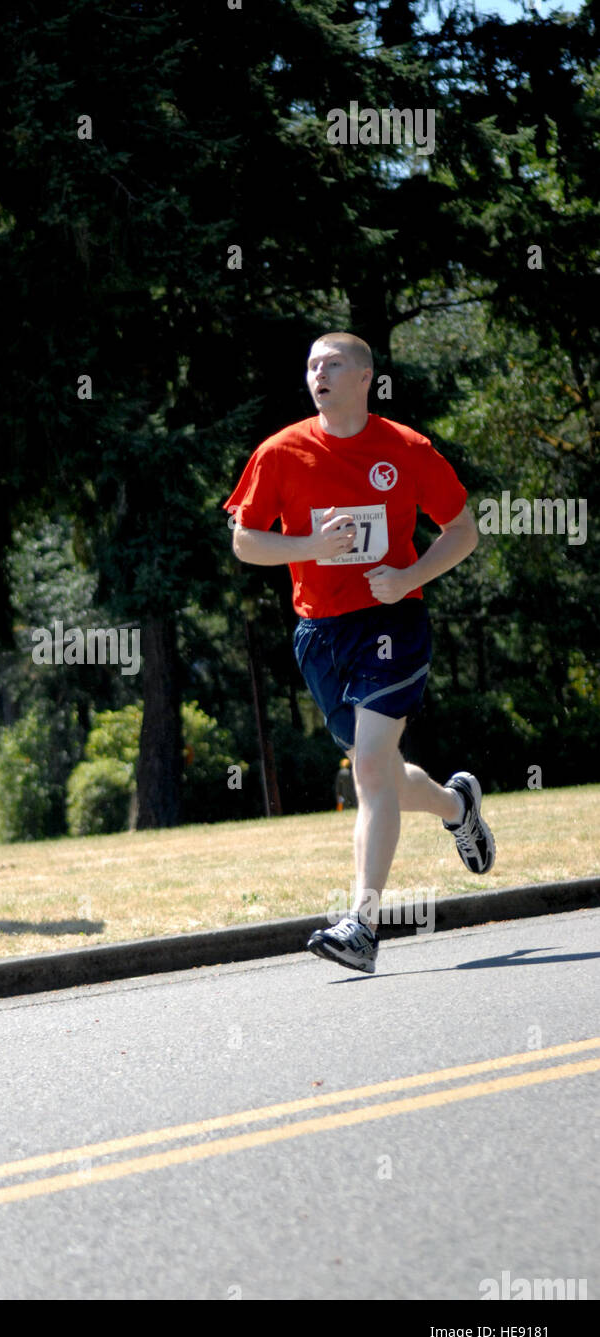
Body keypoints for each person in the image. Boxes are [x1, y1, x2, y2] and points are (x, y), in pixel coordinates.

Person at [226, 332, 494, 974]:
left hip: (394, 621)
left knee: (369, 769)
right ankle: (458, 807)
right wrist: (310, 547)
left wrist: (408, 577)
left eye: (333, 363)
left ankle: (362, 926)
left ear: (366, 376)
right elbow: (246, 542)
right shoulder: (280, 452)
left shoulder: (405, 449)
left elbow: (463, 532)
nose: (319, 373)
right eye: (312, 363)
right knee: (383, 772)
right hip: (320, 633)